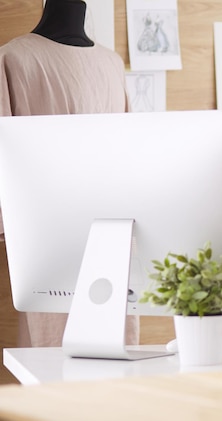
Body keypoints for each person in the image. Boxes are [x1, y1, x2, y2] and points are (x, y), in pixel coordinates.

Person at [0, 0, 134, 348]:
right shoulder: (12, 59)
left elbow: (129, 151)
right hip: (53, 237)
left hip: (108, 235)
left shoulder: (112, 63)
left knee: (112, 351)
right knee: (51, 354)